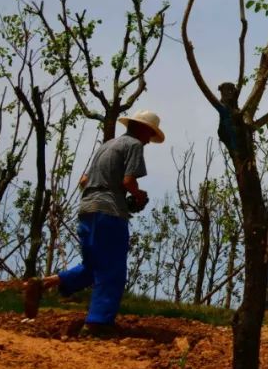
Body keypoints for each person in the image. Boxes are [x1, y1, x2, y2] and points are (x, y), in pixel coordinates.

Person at [23, 110, 164, 333]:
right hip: (109, 212)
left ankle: (43, 284)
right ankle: (98, 323)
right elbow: (128, 181)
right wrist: (138, 196)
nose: (148, 141)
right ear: (143, 129)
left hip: (86, 209)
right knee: (112, 270)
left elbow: (84, 180)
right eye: (150, 135)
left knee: (93, 266)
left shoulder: (107, 145)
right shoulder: (134, 145)